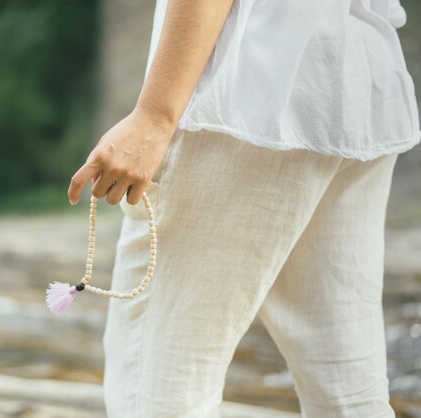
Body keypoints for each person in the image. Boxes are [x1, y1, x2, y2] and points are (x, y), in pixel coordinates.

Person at [67, 0, 420, 416]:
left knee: (159, 388)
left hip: (245, 95)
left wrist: (155, 115)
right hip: (356, 83)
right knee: (346, 389)